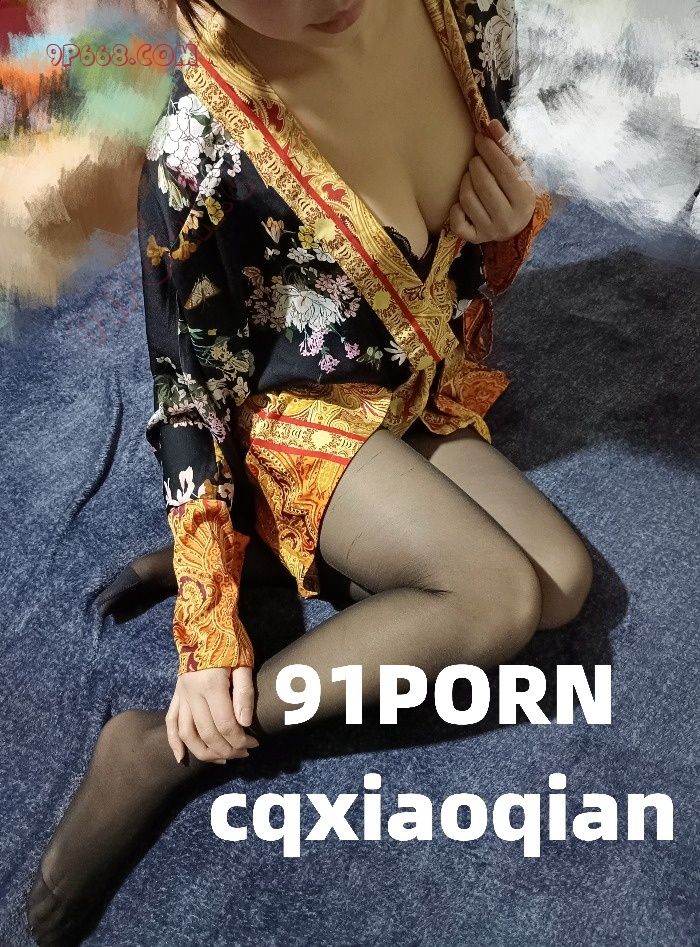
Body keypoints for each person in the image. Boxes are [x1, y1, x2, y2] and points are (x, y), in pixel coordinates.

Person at [25, 1, 592, 943]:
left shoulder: (465, 12)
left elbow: (476, 236)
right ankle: (163, 752)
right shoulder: (196, 145)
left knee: (562, 585)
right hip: (291, 417)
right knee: (498, 598)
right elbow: (191, 393)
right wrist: (210, 638)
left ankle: (283, 554)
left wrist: (505, 223)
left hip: (414, 388)